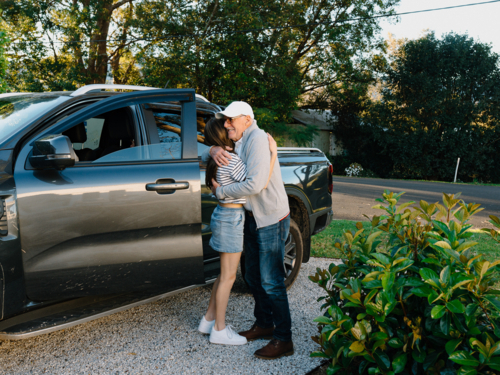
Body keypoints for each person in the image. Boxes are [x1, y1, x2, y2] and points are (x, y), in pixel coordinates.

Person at [203, 101, 294, 360]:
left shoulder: (257, 139)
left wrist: (221, 192)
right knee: (253, 276)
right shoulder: (238, 139)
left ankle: (283, 339)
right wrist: (212, 148)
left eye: (231, 120)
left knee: (271, 281)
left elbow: (254, 184)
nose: (226, 124)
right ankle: (264, 324)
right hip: (250, 216)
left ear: (246, 118)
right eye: (225, 121)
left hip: (270, 217)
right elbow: (216, 155)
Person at [198, 117, 277, 346]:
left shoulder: (217, 161)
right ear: (221, 137)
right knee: (229, 277)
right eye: (226, 129)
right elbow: (258, 182)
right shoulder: (231, 160)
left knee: (223, 275)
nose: (229, 128)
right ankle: (220, 331)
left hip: (223, 215)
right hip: (231, 218)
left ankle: (208, 320)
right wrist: (272, 155)